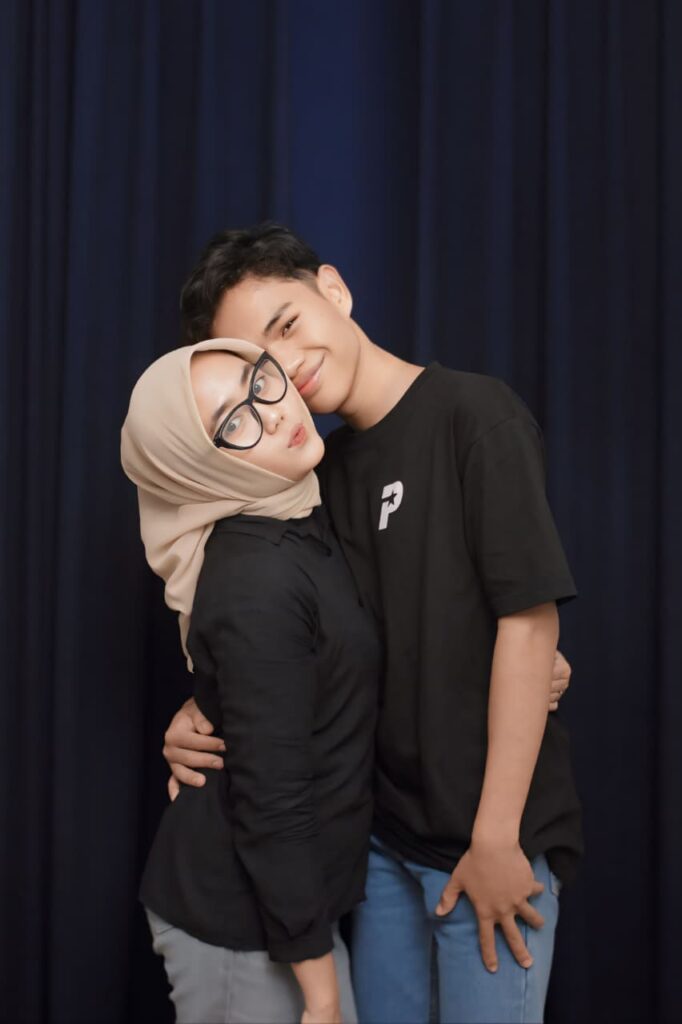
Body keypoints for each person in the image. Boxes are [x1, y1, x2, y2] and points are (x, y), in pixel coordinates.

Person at [161, 224, 584, 1023]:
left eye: (287, 324)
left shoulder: (473, 416)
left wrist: (498, 841)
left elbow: (529, 628)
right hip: (383, 847)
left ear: (334, 289)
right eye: (262, 366)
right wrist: (200, 708)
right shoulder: (317, 476)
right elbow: (305, 639)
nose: (288, 365)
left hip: (491, 838)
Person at [121, 337, 380, 1024]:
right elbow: (272, 802)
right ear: (199, 466)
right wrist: (322, 998)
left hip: (291, 909)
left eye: (259, 380)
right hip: (239, 924)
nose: (274, 411)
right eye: (233, 422)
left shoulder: (300, 513)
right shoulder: (255, 578)